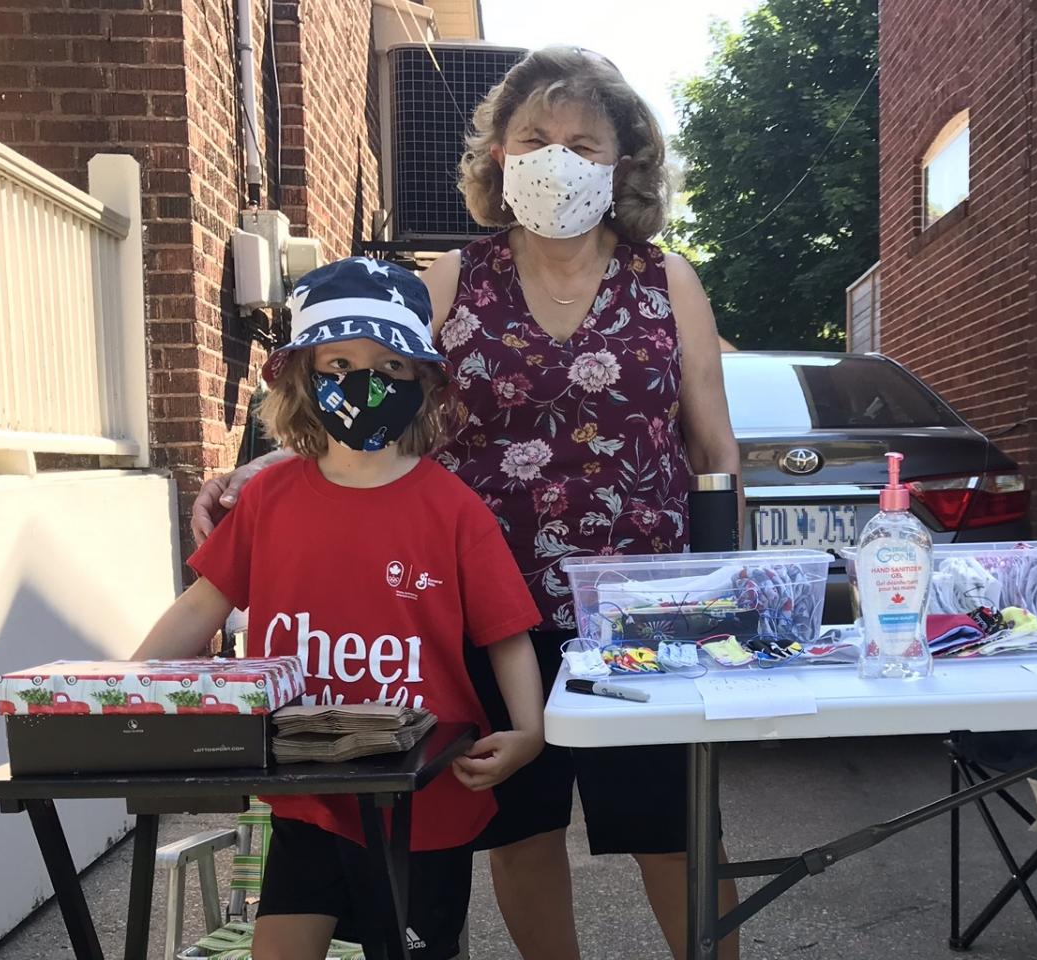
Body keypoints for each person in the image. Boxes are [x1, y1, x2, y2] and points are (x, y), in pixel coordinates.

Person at [190, 46, 743, 960]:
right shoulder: (449, 279)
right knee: (521, 833)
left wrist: (729, 594)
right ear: (496, 154)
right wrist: (253, 473)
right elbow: (363, 391)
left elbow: (713, 449)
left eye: (582, 142)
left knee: (674, 831)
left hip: (645, 613)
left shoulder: (667, 281)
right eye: (534, 137)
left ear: (624, 163)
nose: (556, 158)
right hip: (490, 611)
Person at [138, 256, 546, 960]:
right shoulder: (267, 502)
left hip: (423, 801)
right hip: (308, 793)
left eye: (391, 365)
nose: (366, 381)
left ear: (422, 381)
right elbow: (201, 605)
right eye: (340, 362)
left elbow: (507, 635)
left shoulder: (454, 510)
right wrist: (117, 695)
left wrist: (530, 734)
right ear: (302, 377)